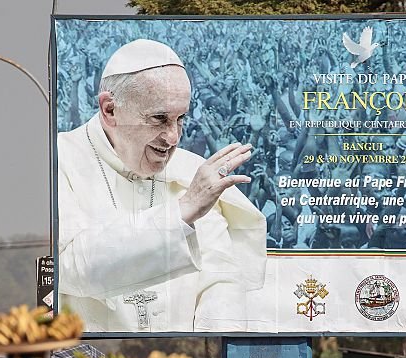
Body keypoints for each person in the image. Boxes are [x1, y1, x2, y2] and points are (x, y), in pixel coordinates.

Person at [56, 39, 267, 332]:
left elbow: (221, 279)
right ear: (110, 110)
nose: (173, 137)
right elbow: (69, 269)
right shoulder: (59, 159)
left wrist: (214, 354)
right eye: (159, 119)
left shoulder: (191, 171)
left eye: (180, 119)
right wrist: (181, 212)